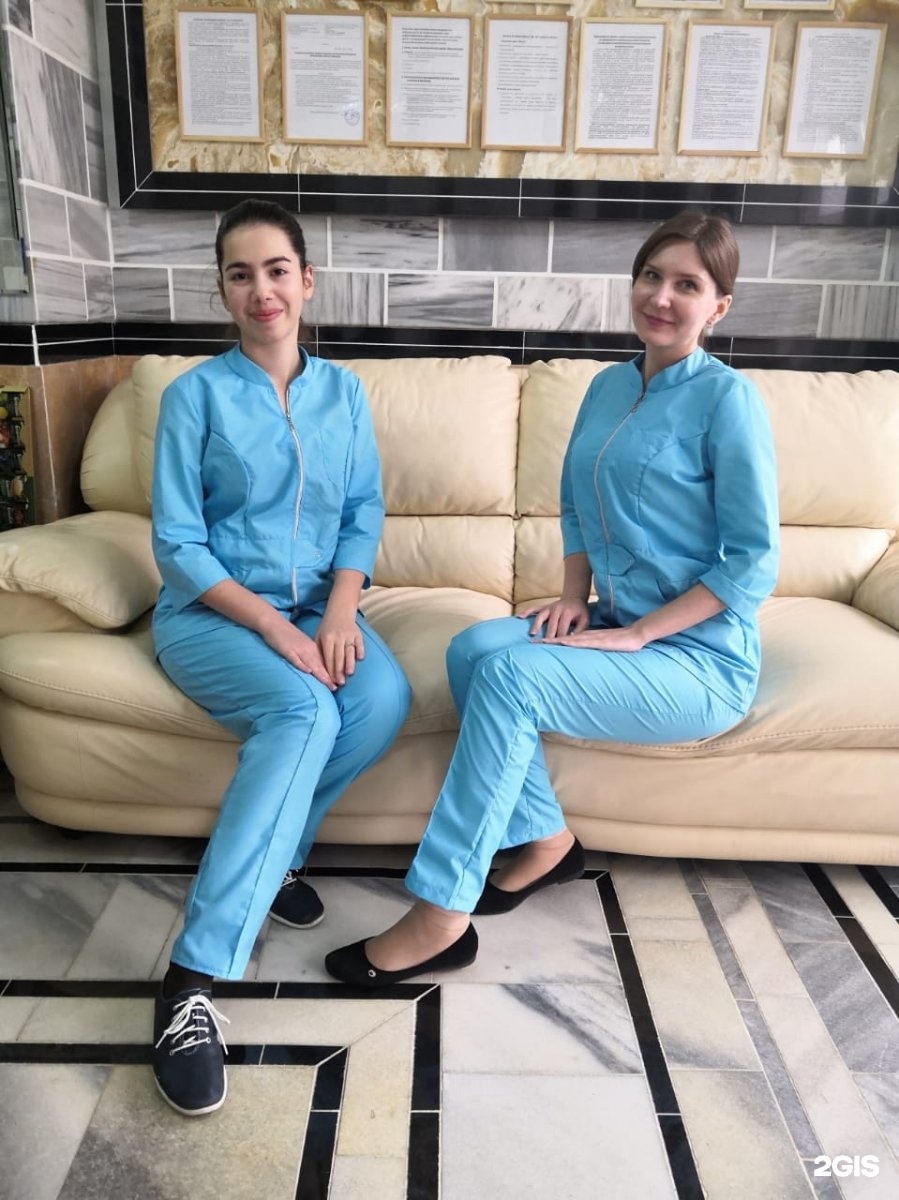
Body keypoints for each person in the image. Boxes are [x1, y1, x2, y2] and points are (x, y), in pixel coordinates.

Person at [325, 210, 779, 987]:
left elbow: (752, 563)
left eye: (686, 285)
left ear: (718, 307)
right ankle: (545, 842)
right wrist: (575, 595)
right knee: (473, 648)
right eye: (650, 276)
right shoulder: (607, 386)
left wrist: (639, 636)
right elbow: (574, 499)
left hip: (699, 659)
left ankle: (441, 913)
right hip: (615, 618)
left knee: (511, 676)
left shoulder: (726, 400)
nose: (660, 297)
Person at [150, 199, 411, 1115]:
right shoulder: (194, 397)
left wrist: (338, 612)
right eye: (239, 273)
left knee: (379, 698)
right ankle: (189, 982)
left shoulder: (343, 394)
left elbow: (362, 511)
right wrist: (275, 629)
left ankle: (276, 859)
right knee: (304, 710)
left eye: (275, 270)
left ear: (307, 281)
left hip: (315, 608)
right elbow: (178, 544)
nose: (260, 290)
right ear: (222, 290)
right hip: (212, 613)